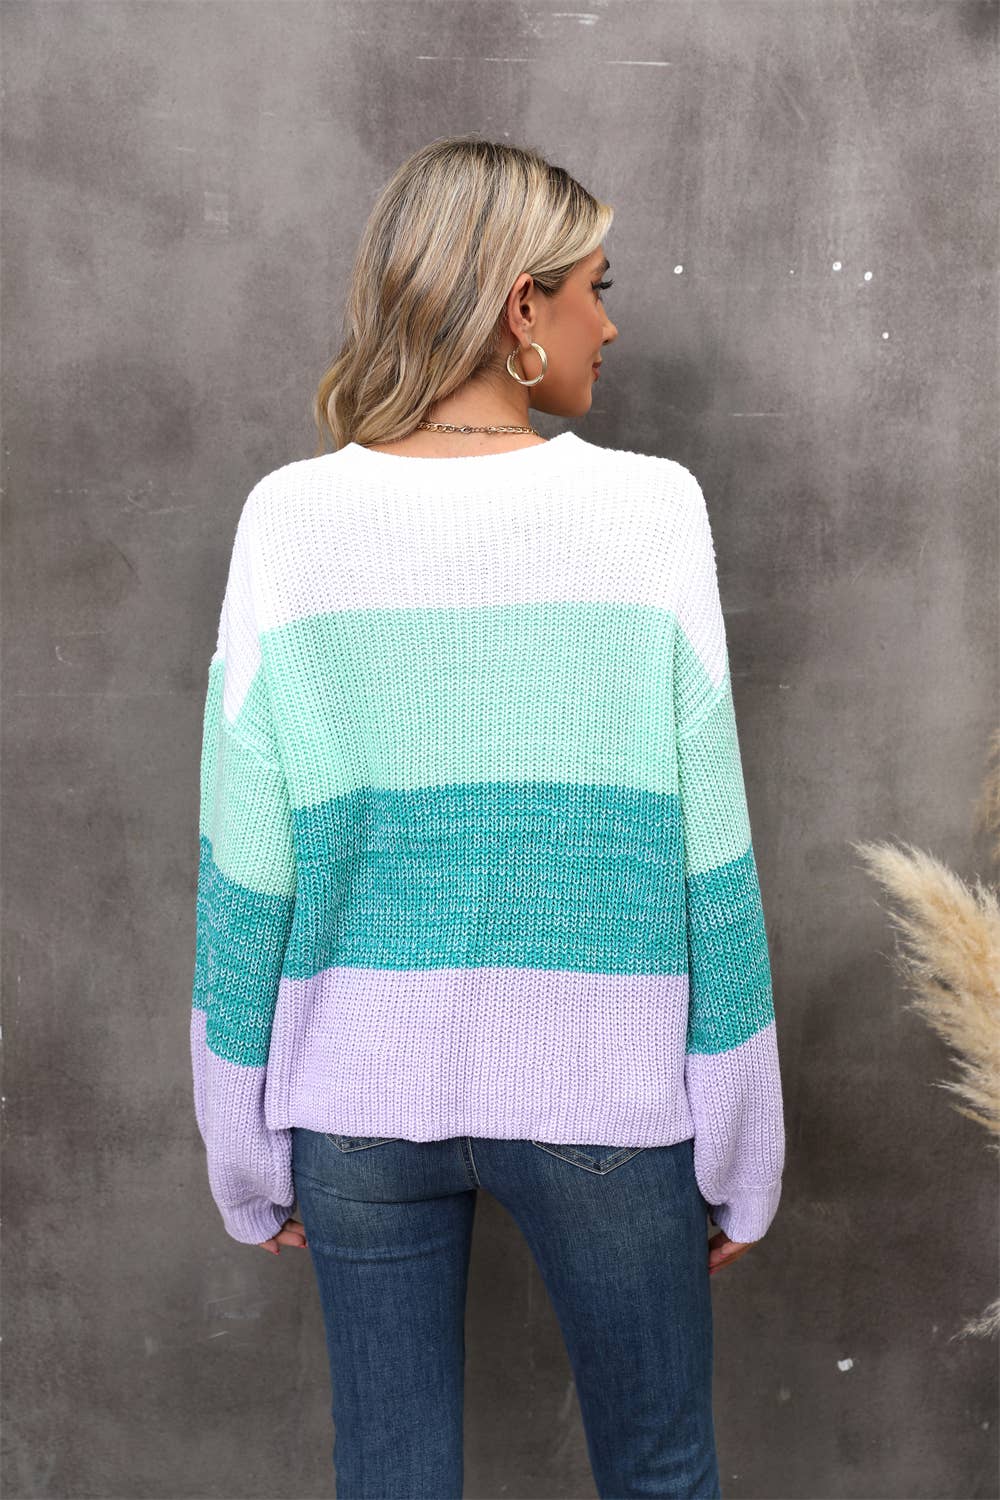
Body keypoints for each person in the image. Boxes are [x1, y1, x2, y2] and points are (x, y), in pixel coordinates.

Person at [190, 135, 786, 1500]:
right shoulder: (651, 512)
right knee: (661, 1471)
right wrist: (739, 1136)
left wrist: (243, 1137)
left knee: (388, 1478)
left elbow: (246, 863)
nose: (609, 323)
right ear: (524, 307)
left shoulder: (290, 521)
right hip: (606, 1097)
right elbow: (708, 852)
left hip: (355, 1103)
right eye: (593, 288)